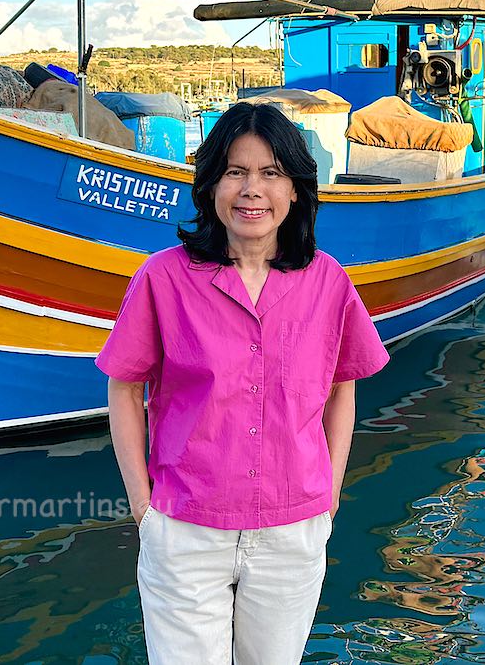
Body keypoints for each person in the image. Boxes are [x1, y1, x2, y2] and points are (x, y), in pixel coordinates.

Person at [97, 102, 390, 665]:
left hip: (292, 529)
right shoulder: (162, 278)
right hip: (185, 528)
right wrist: (143, 505)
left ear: (297, 190)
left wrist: (327, 495)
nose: (252, 190)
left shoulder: (327, 280)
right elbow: (125, 387)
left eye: (271, 173)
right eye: (235, 172)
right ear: (210, 185)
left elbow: (342, 387)